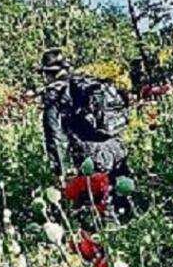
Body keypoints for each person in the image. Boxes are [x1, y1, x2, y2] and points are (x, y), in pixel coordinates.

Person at [40, 48, 131, 185]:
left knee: (95, 202)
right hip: (117, 147)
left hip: (92, 156)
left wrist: (60, 170)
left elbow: (54, 135)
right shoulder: (88, 82)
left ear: (47, 73)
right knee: (122, 198)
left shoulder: (56, 93)